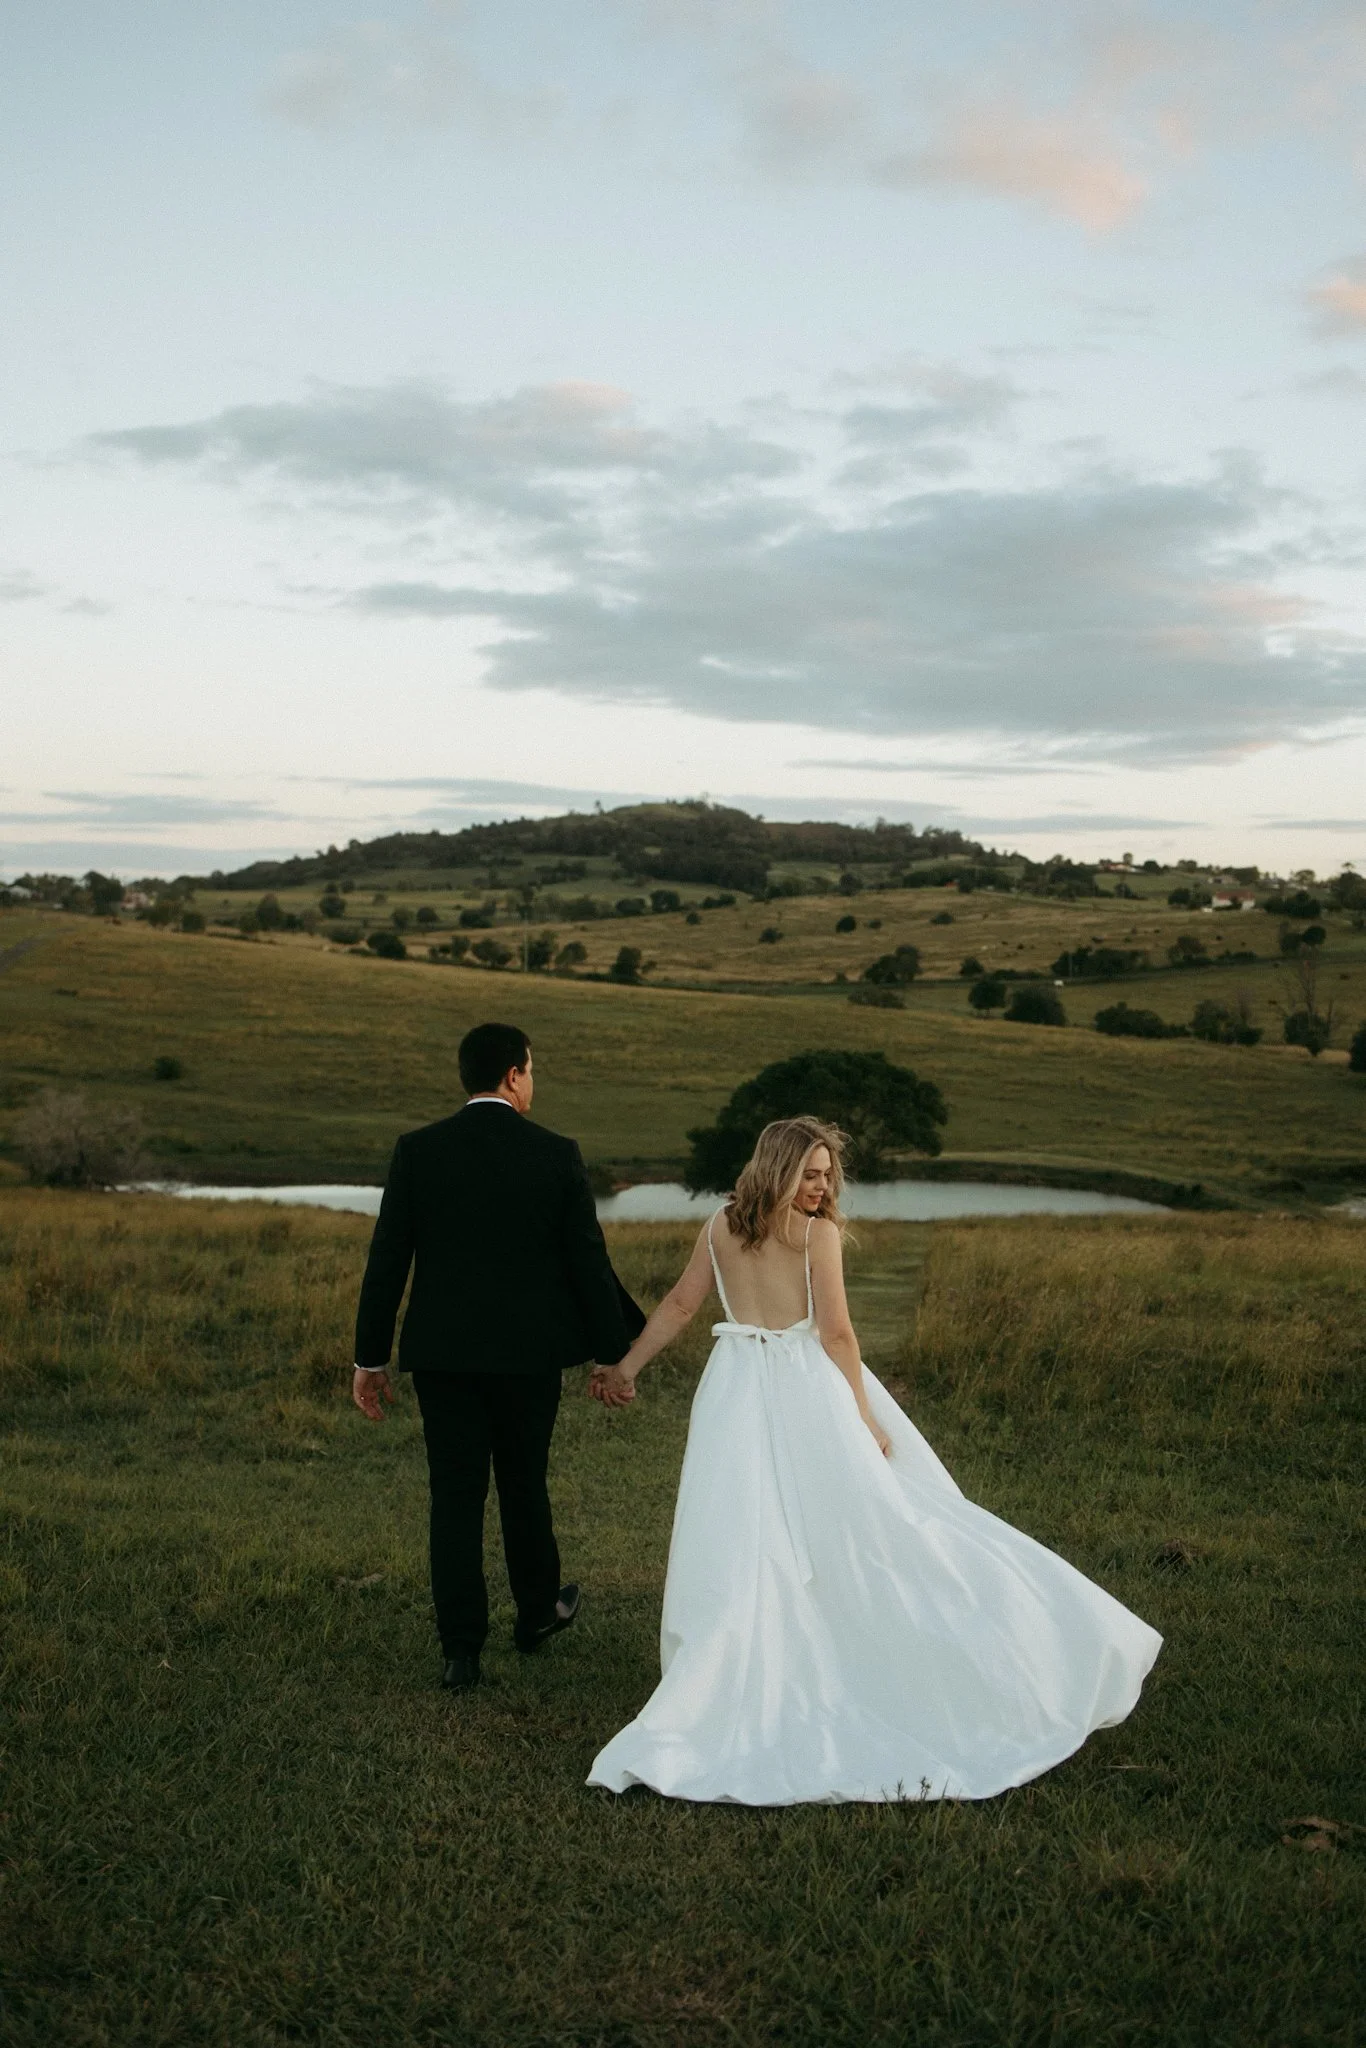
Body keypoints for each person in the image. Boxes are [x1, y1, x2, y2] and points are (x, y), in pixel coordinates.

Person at [585, 1115, 1162, 1805]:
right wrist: (863, 1417)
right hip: (799, 1389)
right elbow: (835, 1333)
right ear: (777, 1168)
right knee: (803, 1526)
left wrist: (627, 1368)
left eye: (828, 1174)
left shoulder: (722, 1226)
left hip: (737, 1388)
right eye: (811, 1173)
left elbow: (682, 1308)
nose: (822, 1187)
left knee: (766, 1525)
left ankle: (773, 1651)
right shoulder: (813, 1237)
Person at [352, 1021, 642, 1692]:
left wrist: (370, 1357)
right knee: (522, 1483)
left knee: (453, 1495)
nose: (533, 1081)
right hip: (528, 1358)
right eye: (532, 1070)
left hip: (443, 1357)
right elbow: (587, 1262)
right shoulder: (556, 1153)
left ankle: (461, 1651)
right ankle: (537, 1613)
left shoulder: (419, 1151)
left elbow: (387, 1260)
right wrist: (612, 1355)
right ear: (513, 1075)